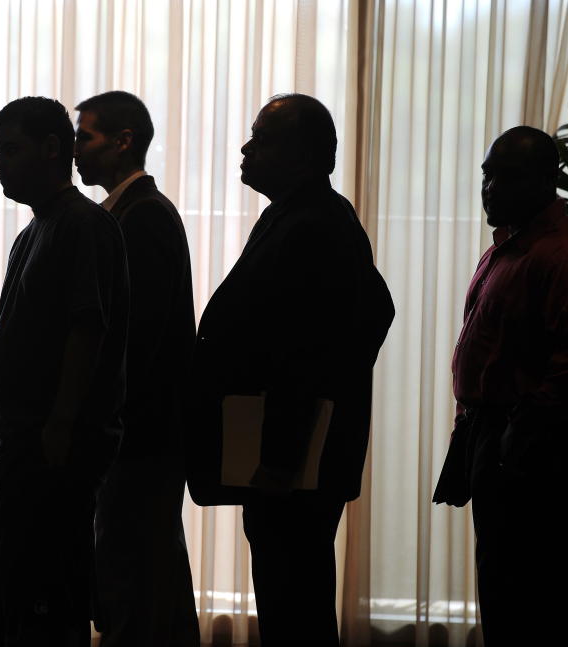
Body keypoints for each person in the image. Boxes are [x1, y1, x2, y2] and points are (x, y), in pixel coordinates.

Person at [189, 94, 394, 645]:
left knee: (294, 607)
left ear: (302, 153)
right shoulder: (304, 214)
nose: (245, 147)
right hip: (289, 455)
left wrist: (281, 457)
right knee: (290, 601)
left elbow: (316, 351)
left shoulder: (316, 223)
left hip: (291, 462)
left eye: (262, 137)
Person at [434, 126, 568, 646]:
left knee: (527, 586)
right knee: (503, 581)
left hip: (531, 439)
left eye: (505, 176)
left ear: (543, 181)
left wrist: (526, 421)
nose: (488, 187)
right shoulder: (510, 247)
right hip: (500, 432)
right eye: (486, 175)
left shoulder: (559, 254)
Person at [0, 96, 129, 647]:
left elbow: (86, 331)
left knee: (47, 610)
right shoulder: (36, 230)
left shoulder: (82, 226)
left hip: (51, 457)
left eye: (10, 151)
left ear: (52, 150)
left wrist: (59, 429)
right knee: (21, 604)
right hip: (23, 451)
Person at [74, 91, 200, 647]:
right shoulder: (125, 213)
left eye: (86, 137)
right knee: (151, 579)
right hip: (143, 437)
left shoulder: (142, 216)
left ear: (124, 141)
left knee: (135, 581)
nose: (76, 150)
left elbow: (136, 341)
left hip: (139, 439)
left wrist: (99, 425)